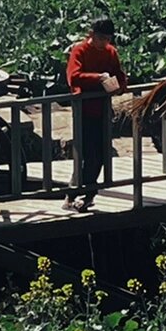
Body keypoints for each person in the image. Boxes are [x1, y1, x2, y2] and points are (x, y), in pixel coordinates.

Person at [64, 16, 127, 212]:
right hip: (84, 109)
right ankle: (73, 192)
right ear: (91, 35)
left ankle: (89, 193)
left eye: (107, 39)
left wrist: (120, 86)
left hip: (102, 110)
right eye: (100, 38)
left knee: (100, 154)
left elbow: (119, 74)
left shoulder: (110, 52)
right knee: (86, 153)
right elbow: (73, 76)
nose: (103, 43)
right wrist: (98, 78)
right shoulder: (80, 50)